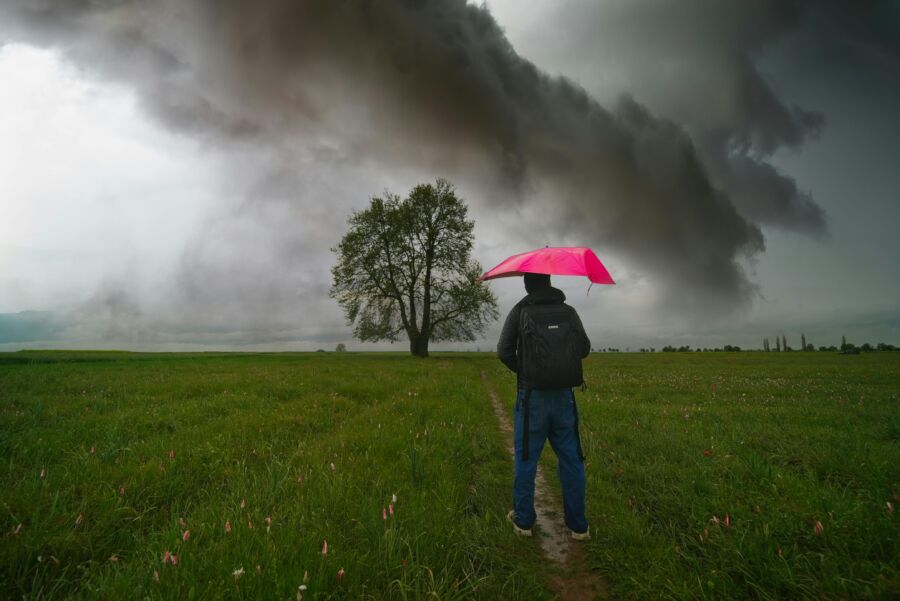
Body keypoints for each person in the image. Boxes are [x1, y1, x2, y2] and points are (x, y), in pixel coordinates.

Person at [497, 272, 591, 540]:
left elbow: (503, 351)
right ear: (549, 282)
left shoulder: (519, 310)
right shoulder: (569, 311)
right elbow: (584, 348)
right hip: (564, 396)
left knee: (527, 457)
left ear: (527, 285)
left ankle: (524, 521)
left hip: (532, 397)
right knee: (572, 459)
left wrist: (525, 370)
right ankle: (578, 527)